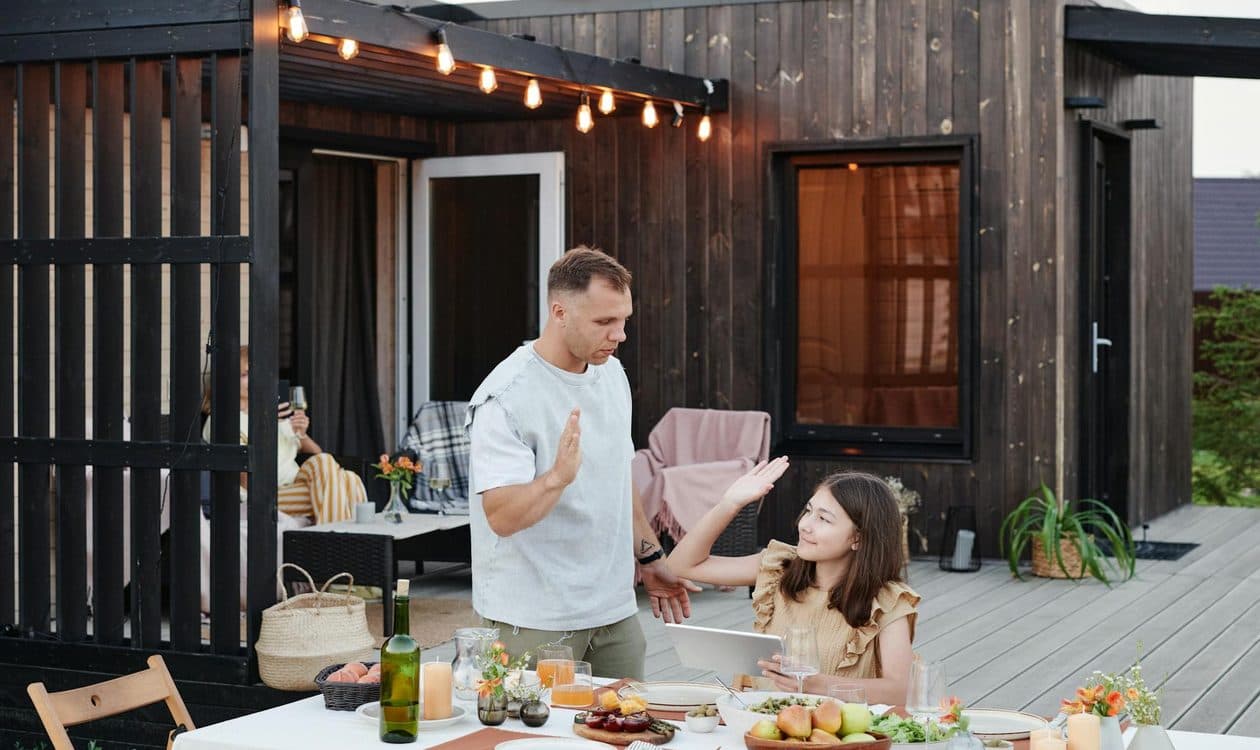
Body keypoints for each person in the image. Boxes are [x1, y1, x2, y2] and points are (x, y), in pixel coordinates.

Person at [466, 246, 699, 680]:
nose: (620, 335)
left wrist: (649, 557)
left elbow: (618, 475)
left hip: (613, 612)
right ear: (560, 312)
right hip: (534, 619)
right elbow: (500, 516)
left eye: (624, 320)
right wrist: (556, 479)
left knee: (627, 734)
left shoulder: (612, 373)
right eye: (605, 322)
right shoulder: (506, 397)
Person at [669, 463, 919, 704]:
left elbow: (901, 690)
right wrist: (730, 504)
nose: (805, 525)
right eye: (809, 511)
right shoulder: (780, 566)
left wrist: (814, 684)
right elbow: (681, 565)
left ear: (858, 538)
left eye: (824, 519)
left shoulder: (887, 601)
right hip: (756, 722)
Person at [199, 345, 367, 611]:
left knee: (340, 474)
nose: (253, 378)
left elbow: (321, 457)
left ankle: (337, 573)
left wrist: (300, 432)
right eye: (244, 375)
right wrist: (265, 429)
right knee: (348, 483)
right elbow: (245, 478)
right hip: (260, 493)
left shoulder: (271, 412)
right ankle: (349, 570)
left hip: (296, 486)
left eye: (254, 372)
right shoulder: (225, 421)